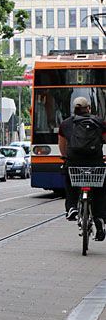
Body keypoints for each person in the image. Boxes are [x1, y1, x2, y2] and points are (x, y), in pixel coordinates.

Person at [58, 96, 106, 241]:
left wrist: (66, 157)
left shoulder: (66, 124)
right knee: (100, 189)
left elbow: (62, 144)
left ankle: (72, 207)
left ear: (74, 109)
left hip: (74, 162)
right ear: (89, 108)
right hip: (95, 162)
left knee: (69, 181)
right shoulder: (99, 122)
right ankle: (100, 217)